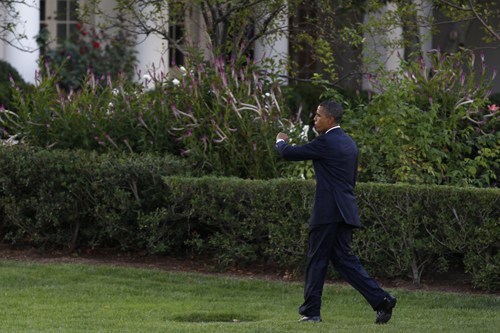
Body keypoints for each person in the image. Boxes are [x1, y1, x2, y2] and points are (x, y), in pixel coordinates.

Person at [274, 100, 396, 324]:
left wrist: (280, 142)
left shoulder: (326, 142)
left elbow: (290, 153)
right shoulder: (349, 143)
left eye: (319, 115)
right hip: (345, 211)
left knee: (317, 259)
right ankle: (382, 300)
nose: (315, 119)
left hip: (327, 212)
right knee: (344, 260)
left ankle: (311, 312)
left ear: (330, 119)